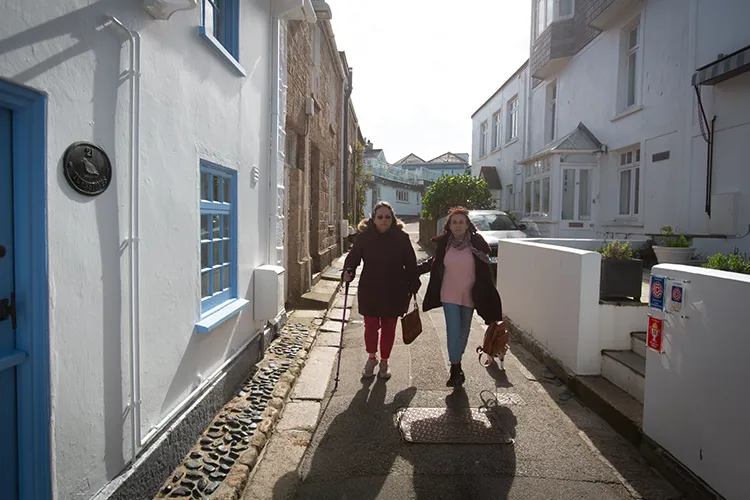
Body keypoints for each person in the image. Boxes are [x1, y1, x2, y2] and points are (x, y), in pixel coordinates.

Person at [417, 206, 503, 387]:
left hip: (470, 295)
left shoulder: (477, 243)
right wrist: (414, 271)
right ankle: (454, 368)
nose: (457, 225)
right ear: (449, 225)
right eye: (454, 222)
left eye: (461, 222)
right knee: (453, 331)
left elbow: (487, 270)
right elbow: (434, 263)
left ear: (467, 225)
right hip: (448, 294)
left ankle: (458, 361)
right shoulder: (444, 244)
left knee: (464, 333)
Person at [342, 202, 420, 380]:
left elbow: (410, 263)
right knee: (370, 327)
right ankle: (371, 357)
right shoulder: (365, 237)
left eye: (387, 217)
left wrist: (413, 283)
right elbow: (353, 258)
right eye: (380, 217)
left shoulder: (402, 238)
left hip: (394, 290)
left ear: (392, 219)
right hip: (370, 288)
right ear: (374, 219)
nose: (384, 220)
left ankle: (384, 361)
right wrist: (349, 271)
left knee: (388, 328)